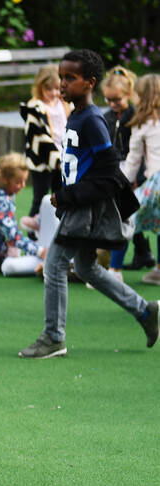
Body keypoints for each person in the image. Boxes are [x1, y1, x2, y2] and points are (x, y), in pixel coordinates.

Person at [19, 50, 160, 360]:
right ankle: (145, 312)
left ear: (90, 83)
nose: (63, 84)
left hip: (85, 209)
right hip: (77, 205)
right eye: (62, 77)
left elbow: (109, 174)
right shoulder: (78, 116)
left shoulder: (93, 120)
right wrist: (61, 192)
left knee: (55, 264)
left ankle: (54, 337)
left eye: (71, 78)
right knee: (85, 266)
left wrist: (69, 197)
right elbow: (77, 164)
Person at [101, 66, 144, 281]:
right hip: (116, 171)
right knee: (127, 215)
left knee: (128, 215)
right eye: (108, 100)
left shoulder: (135, 115)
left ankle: (116, 268)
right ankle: (143, 252)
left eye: (116, 100)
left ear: (128, 95)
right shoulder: (107, 116)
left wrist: (135, 175)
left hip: (134, 173)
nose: (112, 104)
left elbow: (137, 150)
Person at [20, 65, 71, 227]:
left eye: (57, 89)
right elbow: (37, 137)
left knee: (60, 197)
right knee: (40, 198)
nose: (54, 93)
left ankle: (57, 231)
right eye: (49, 89)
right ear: (40, 87)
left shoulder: (65, 104)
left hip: (63, 157)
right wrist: (55, 160)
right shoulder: (34, 107)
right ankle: (33, 236)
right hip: (42, 161)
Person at [121, 73, 160, 285]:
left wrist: (121, 183)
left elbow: (133, 159)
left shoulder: (142, 122)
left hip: (157, 182)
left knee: (126, 217)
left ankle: (114, 269)